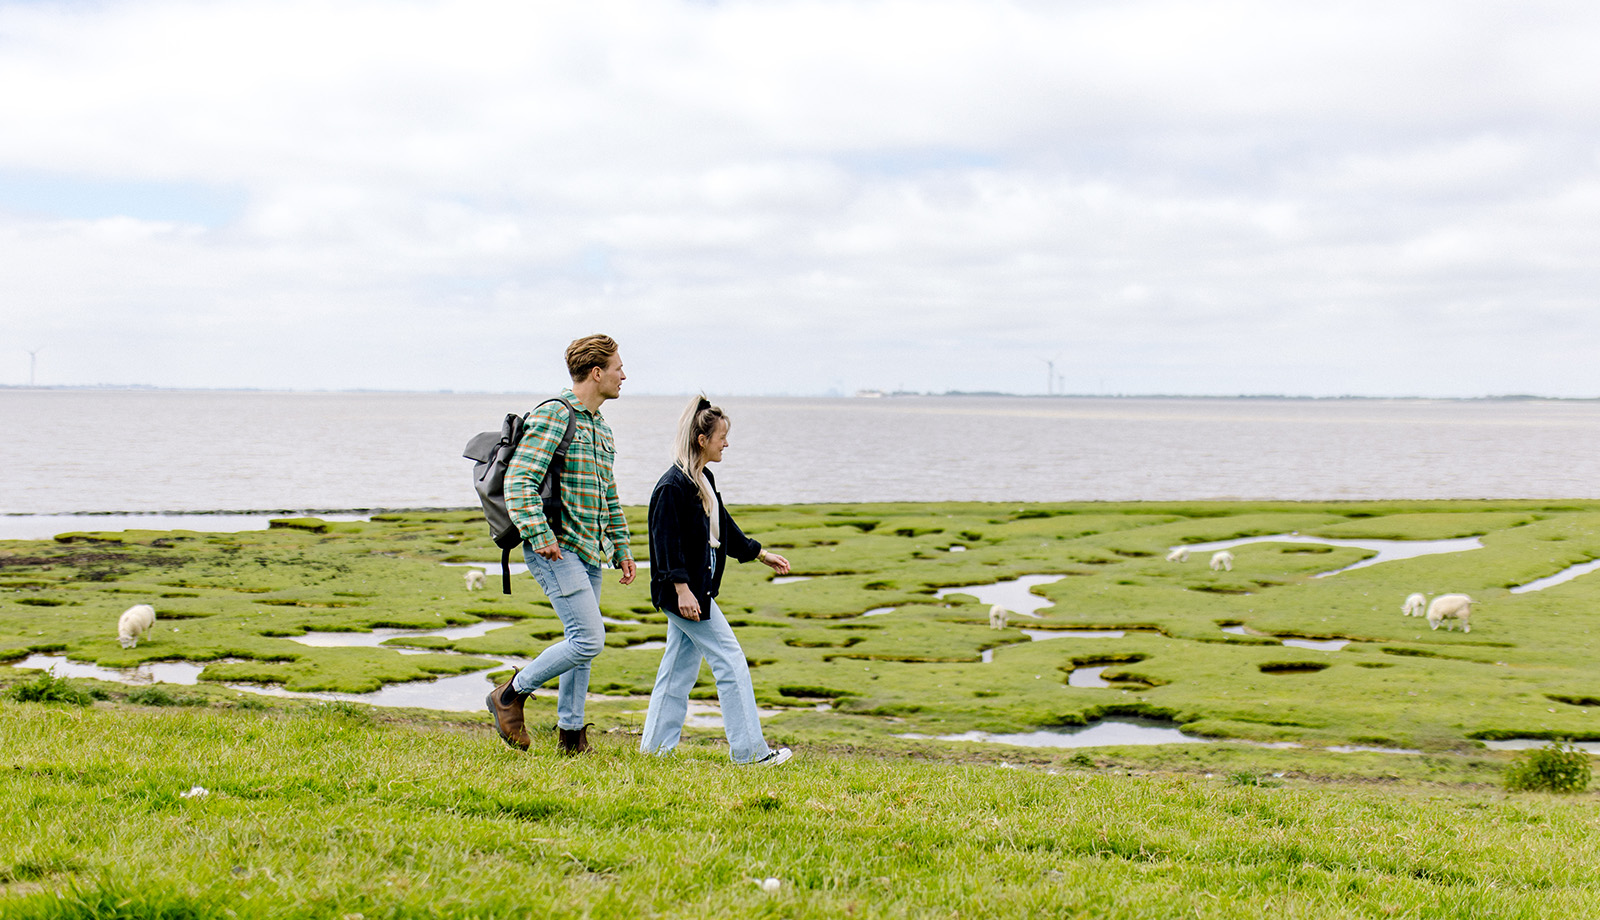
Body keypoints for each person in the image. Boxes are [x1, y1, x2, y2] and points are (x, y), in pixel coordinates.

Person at [485, 334, 637, 754]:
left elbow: (608, 493)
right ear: (596, 372)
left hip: (589, 551)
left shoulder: (599, 425)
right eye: (618, 367)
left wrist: (622, 547)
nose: (624, 375)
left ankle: (571, 736)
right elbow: (519, 481)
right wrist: (540, 534)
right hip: (555, 547)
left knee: (580, 645)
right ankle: (509, 695)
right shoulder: (556, 414)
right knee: (589, 638)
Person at [639, 396, 793, 766]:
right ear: (701, 439)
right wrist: (682, 591)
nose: (726, 443)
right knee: (731, 662)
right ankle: (750, 754)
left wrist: (760, 553)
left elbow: (724, 527)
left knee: (677, 670)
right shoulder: (672, 486)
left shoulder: (702, 478)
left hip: (696, 591)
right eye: (721, 436)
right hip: (684, 594)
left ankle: (655, 751)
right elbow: (665, 544)